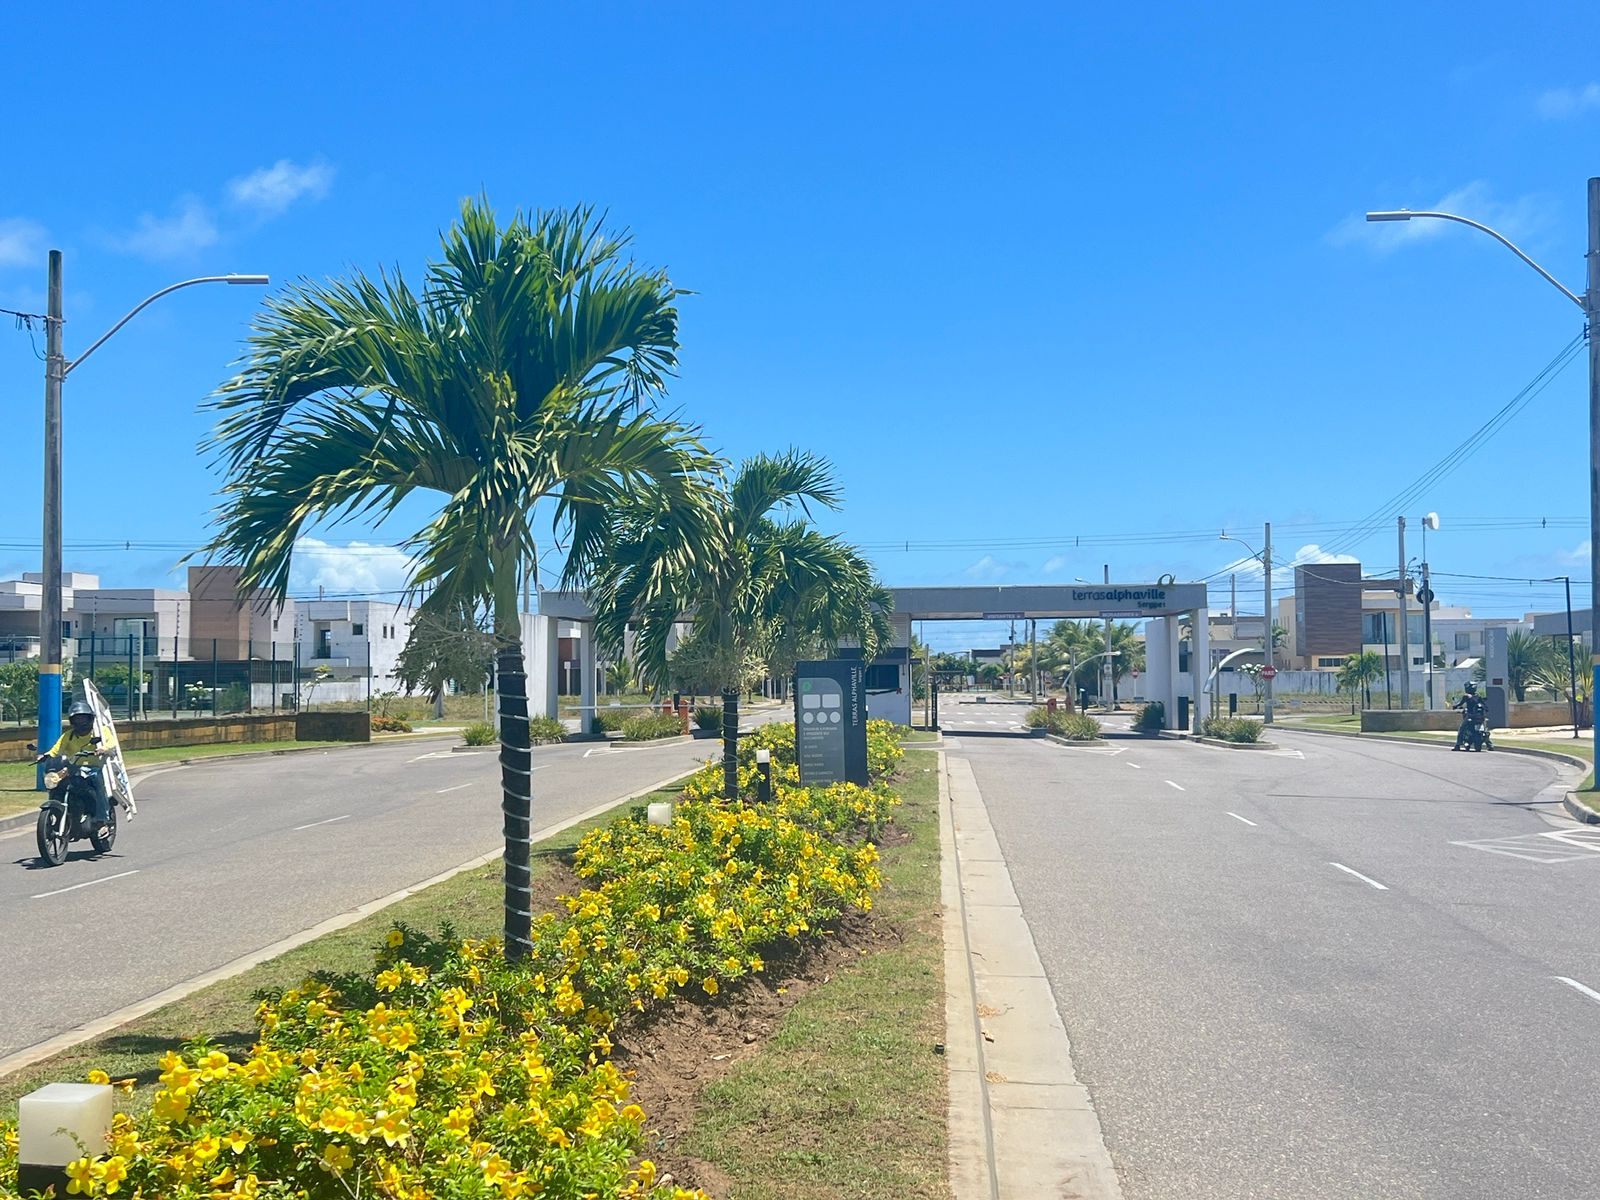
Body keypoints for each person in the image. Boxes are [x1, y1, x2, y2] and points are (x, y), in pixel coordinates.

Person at [34, 699, 112, 838]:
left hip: (93, 767)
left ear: (90, 718)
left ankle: (102, 821)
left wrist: (103, 749)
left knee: (98, 783)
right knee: (58, 783)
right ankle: (63, 814)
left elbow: (111, 742)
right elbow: (56, 750)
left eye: (83, 718)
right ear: (72, 721)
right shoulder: (68, 735)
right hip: (73, 767)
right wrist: (45, 756)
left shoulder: (99, 731)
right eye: (77, 719)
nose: (80, 721)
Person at [1451, 682, 1489, 751]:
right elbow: (1485, 705)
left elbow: (1460, 703)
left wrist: (1455, 706)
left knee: (1462, 729)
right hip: (1480, 717)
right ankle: (1489, 745)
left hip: (1470, 716)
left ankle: (1458, 745)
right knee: (1484, 729)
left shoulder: (1466, 696)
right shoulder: (1478, 696)